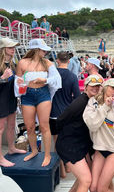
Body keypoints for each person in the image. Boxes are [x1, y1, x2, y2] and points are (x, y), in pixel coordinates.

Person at [15, 38, 61, 167]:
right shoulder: (22, 63)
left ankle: (47, 154)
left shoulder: (47, 63)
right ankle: (34, 150)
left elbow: (57, 79)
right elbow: (17, 82)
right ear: (36, 50)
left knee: (44, 126)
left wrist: (44, 80)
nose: (45, 52)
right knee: (29, 127)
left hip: (43, 94)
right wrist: (20, 84)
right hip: (27, 95)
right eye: (43, 50)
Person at [83, 78, 114, 192]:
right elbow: (92, 125)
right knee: (93, 187)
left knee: (101, 188)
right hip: (100, 149)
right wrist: (105, 106)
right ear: (105, 88)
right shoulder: (93, 102)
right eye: (112, 88)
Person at [56, 75, 103, 192]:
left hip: (81, 144)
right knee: (86, 180)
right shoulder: (80, 102)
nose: (95, 89)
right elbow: (61, 120)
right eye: (92, 86)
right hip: (70, 145)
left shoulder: (93, 102)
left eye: (98, 86)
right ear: (86, 87)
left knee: (84, 177)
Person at [50, 51, 80, 177]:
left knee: (57, 143)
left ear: (57, 60)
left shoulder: (52, 74)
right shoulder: (72, 76)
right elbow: (78, 96)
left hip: (53, 113)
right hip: (66, 113)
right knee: (66, 141)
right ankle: (68, 166)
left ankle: (61, 169)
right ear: (68, 61)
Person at [0, 38, 26, 167]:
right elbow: (3, 80)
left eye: (14, 47)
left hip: (11, 98)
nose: (13, 49)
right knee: (0, 129)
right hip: (1, 100)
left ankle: (11, 148)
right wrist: (2, 78)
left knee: (11, 125)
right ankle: (0, 158)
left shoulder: (11, 63)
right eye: (10, 47)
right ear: (3, 49)